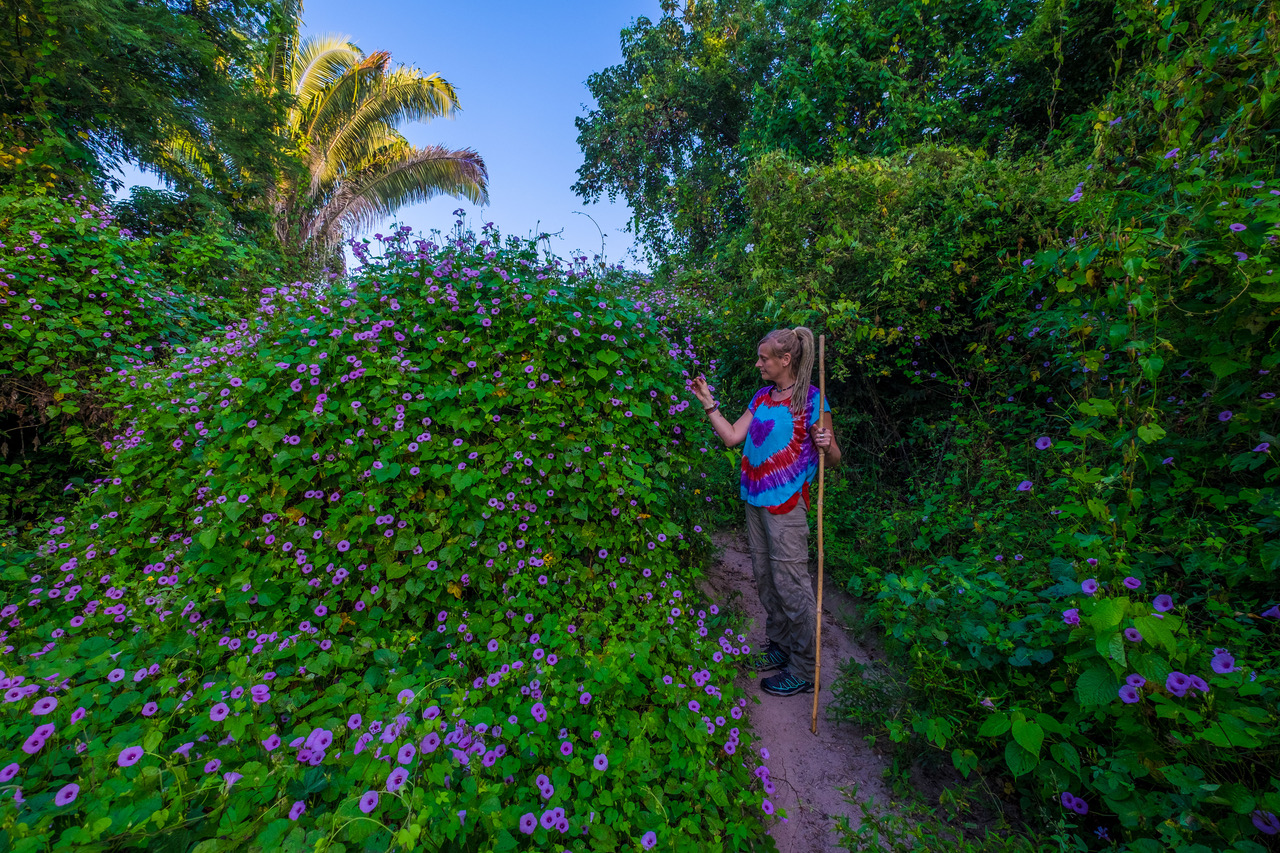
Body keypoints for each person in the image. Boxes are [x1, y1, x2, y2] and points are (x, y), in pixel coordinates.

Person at [690, 326, 841, 697]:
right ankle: (780, 646)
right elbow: (731, 436)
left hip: (787, 505)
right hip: (754, 501)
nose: (758, 364)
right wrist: (709, 402)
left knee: (791, 585)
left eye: (764, 358)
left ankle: (805, 669)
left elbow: (834, 459)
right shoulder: (761, 397)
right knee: (765, 577)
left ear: (785, 360)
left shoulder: (812, 401)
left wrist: (826, 443)